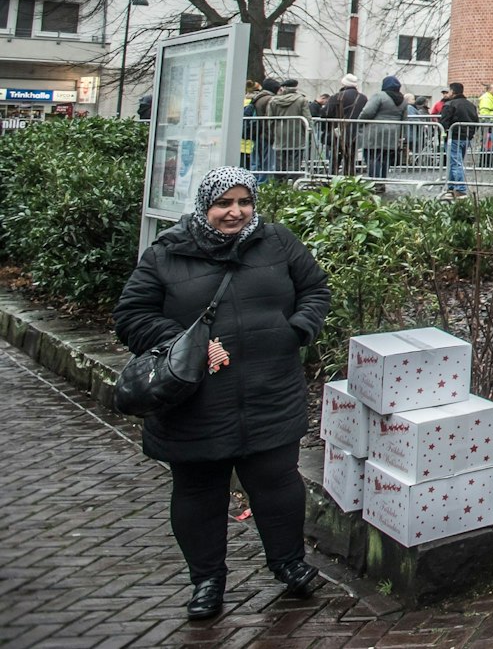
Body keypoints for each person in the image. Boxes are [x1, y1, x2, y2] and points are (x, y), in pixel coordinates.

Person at [112, 167, 332, 620]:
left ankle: (289, 564)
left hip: (270, 391)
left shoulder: (278, 241)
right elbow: (132, 315)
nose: (235, 213)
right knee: (199, 493)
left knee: (278, 485)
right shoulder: (167, 253)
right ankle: (207, 581)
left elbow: (315, 289)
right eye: (223, 204)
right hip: (198, 403)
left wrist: (296, 330)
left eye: (244, 202)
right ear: (204, 206)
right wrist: (186, 343)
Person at [356, 76, 406, 182]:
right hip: (393, 133)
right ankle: (382, 181)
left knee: (372, 158)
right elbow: (404, 118)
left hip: (375, 132)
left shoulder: (379, 96)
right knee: (384, 159)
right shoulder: (403, 100)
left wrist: (359, 122)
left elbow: (367, 112)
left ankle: (375, 182)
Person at [438, 83, 480, 197]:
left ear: (452, 91)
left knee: (455, 163)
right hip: (465, 138)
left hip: (454, 137)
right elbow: (476, 122)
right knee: (454, 162)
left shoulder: (450, 104)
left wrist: (443, 136)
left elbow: (444, 122)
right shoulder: (471, 105)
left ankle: (460, 189)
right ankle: (452, 187)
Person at [264, 79, 311, 178]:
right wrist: (309, 133)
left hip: (280, 134)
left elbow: (270, 119)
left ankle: (279, 184)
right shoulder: (301, 100)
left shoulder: (274, 101)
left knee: (280, 162)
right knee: (295, 161)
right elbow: (307, 119)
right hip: (297, 135)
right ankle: (292, 184)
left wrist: (272, 132)